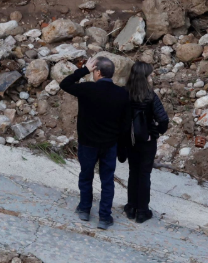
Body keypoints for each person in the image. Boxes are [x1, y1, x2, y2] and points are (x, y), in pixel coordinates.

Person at [60, 54, 130, 229]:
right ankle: (104, 218)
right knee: (107, 181)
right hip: (109, 145)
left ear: (97, 72)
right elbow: (125, 124)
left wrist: (84, 70)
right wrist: (122, 149)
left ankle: (84, 209)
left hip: (88, 143)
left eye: (93, 70)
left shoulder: (87, 88)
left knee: (86, 176)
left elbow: (65, 84)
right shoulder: (122, 94)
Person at [120, 61, 169, 224]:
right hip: (146, 141)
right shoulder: (150, 96)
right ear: (144, 77)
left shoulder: (124, 93)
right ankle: (142, 211)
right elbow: (163, 120)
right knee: (144, 174)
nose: (151, 76)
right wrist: (154, 133)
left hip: (130, 140)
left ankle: (131, 207)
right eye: (149, 74)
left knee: (133, 172)